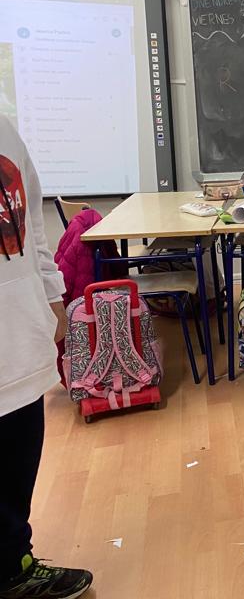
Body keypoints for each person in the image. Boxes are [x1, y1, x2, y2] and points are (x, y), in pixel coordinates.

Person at [0, 116, 93, 599]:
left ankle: (14, 568)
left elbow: (31, 226)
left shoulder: (4, 130)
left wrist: (53, 297)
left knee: (17, 465)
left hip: (19, 338)